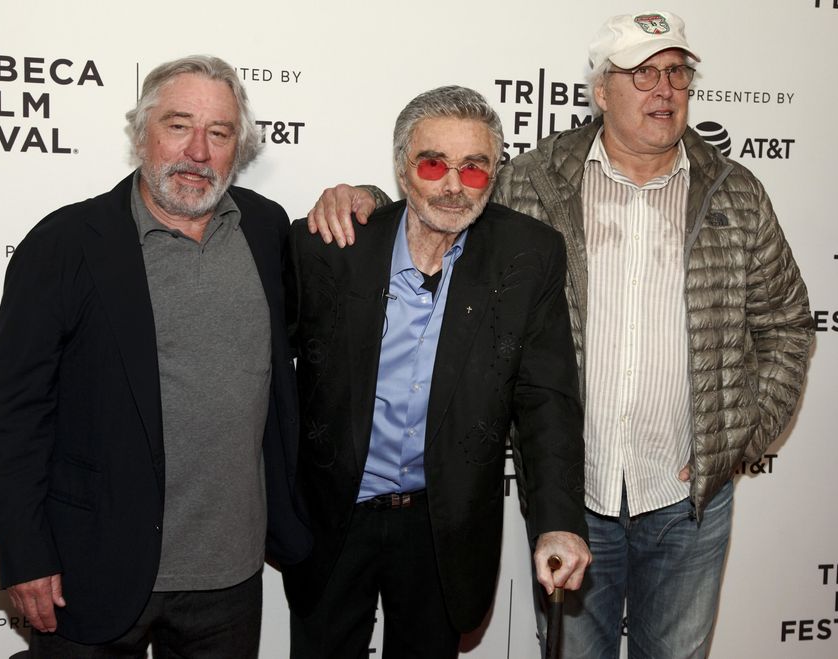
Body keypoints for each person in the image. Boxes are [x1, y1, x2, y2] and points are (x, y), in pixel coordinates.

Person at [306, 11, 814, 659]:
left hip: (688, 501)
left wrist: (740, 431)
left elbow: (786, 322)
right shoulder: (532, 179)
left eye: (676, 72)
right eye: (643, 73)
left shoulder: (735, 192)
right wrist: (366, 200)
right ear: (601, 91)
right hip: (575, 495)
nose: (664, 89)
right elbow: (445, 214)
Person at [0, 55, 310, 658]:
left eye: (219, 133)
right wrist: (25, 554)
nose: (198, 152)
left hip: (230, 575)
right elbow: (14, 418)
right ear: (141, 135)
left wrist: (363, 197)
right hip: (91, 565)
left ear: (238, 148)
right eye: (179, 126)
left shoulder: (265, 229)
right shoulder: (64, 244)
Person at [283, 85, 590, 659]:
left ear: (493, 175)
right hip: (334, 516)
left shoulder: (529, 254)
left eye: (473, 168)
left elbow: (546, 398)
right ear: (403, 169)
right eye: (433, 164)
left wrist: (558, 521)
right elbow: (270, 375)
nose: (453, 186)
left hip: (443, 524)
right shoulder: (331, 244)